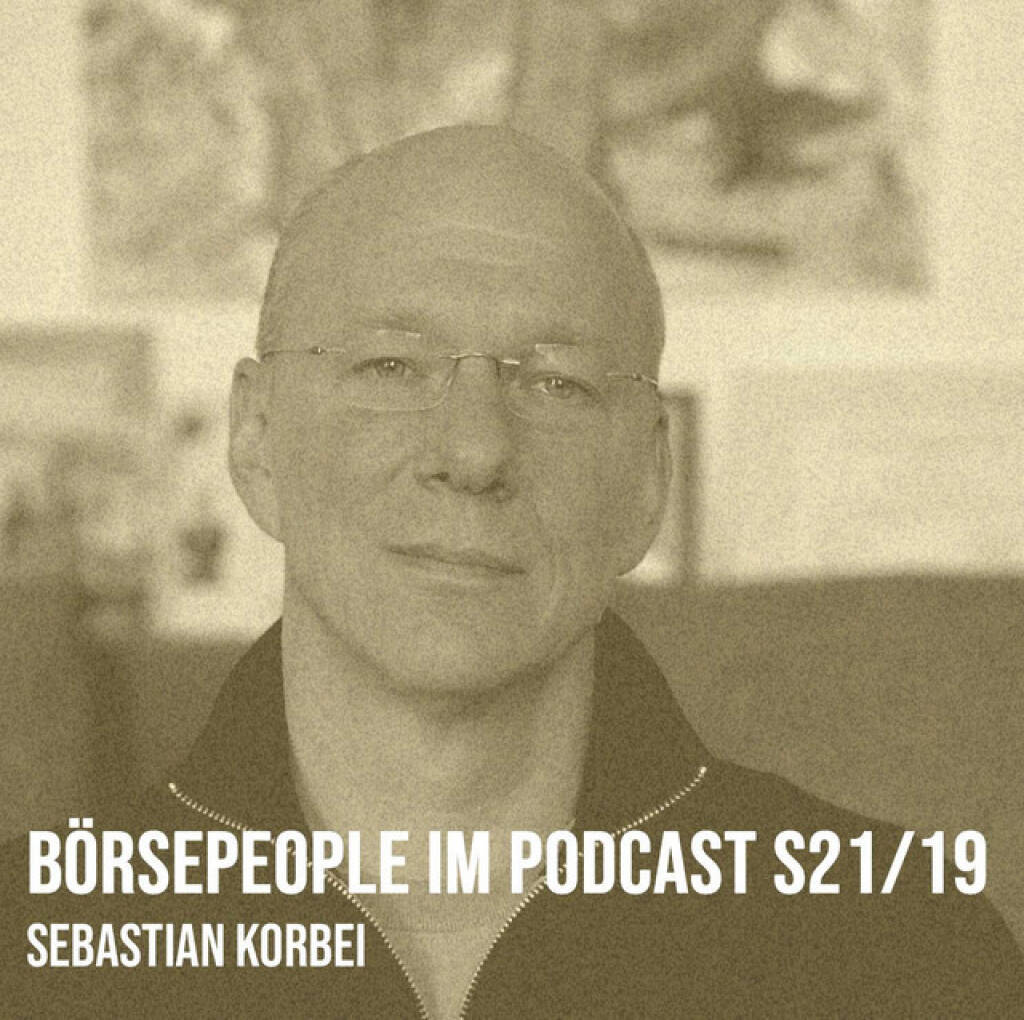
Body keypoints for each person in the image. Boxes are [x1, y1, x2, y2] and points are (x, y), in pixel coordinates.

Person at [2, 125, 1021, 1018]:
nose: (474, 450)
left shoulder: (901, 952)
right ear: (257, 437)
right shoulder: (29, 953)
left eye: (556, 384)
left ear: (647, 481)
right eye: (391, 367)